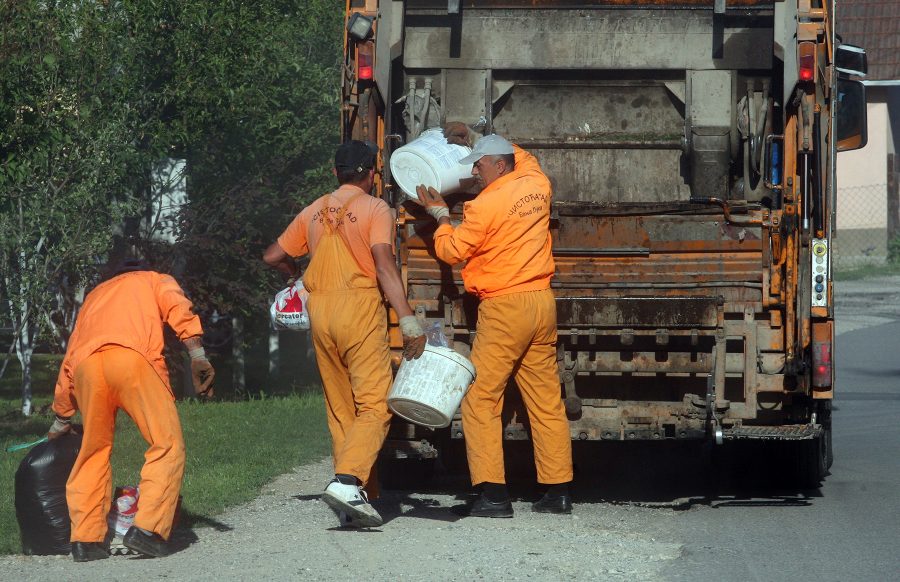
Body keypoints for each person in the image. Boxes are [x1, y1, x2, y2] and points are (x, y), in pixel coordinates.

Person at [263, 140, 426, 528]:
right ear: (372, 173)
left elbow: (272, 255)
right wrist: (407, 319)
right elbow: (383, 265)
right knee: (376, 403)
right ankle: (348, 482)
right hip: (359, 308)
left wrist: (296, 275)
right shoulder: (376, 208)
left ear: (336, 173)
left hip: (321, 312)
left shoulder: (314, 210)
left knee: (341, 409)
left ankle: (356, 499)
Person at [414, 125, 574, 517]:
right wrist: (474, 136)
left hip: (505, 307)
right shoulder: (537, 183)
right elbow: (524, 155)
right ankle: (557, 492)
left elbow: (452, 251)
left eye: (479, 165)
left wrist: (440, 215)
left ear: (500, 166)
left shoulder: (483, 206)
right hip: (541, 302)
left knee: (480, 397)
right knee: (545, 400)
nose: (473, 172)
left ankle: (494, 495)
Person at [48, 260, 215, 561]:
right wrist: (198, 354)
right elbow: (178, 307)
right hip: (133, 359)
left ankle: (86, 540)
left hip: (87, 369)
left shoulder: (94, 297)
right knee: (166, 444)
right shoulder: (153, 279)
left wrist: (61, 417)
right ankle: (147, 530)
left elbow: (71, 355)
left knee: (93, 452)